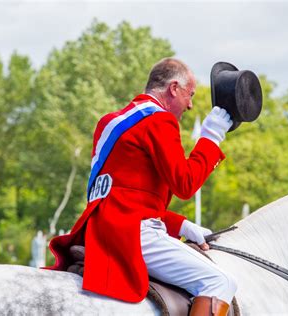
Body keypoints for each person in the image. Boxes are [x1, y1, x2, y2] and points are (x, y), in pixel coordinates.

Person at [47, 58, 237, 316]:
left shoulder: (110, 122)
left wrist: (181, 225)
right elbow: (185, 184)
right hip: (134, 235)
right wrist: (211, 137)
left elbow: (122, 196)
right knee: (221, 282)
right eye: (190, 95)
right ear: (174, 88)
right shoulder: (159, 120)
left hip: (101, 230)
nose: (190, 105)